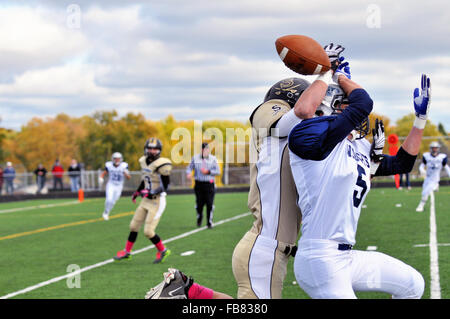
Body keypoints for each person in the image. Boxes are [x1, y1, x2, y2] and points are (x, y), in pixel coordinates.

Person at [145, 43, 341, 300]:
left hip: (270, 250)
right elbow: (304, 112)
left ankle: (187, 290)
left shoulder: (294, 139)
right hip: (264, 248)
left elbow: (322, 121)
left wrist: (337, 81)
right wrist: (324, 76)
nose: (316, 112)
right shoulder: (268, 115)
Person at [287, 55, 429, 299]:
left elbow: (403, 163)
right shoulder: (307, 135)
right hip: (320, 258)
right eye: (344, 105)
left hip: (347, 256)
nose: (352, 113)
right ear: (328, 106)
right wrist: (337, 74)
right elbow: (363, 103)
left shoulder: (358, 145)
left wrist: (420, 120)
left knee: (413, 285)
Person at [113, 138, 172, 264]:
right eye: (150, 148)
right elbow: (145, 180)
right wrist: (137, 191)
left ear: (159, 150)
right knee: (133, 226)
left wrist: (151, 192)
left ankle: (163, 251)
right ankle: (127, 252)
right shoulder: (143, 161)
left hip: (158, 200)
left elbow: (166, 186)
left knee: (148, 231)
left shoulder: (162, 164)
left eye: (155, 148)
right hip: (146, 200)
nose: (152, 151)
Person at [186, 142, 220, 228]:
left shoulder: (213, 159)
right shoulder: (195, 158)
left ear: (209, 150)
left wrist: (208, 172)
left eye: (206, 149)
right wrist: (188, 173)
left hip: (209, 184)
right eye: (203, 149)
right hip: (199, 184)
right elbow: (189, 168)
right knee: (199, 204)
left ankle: (209, 222)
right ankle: (199, 216)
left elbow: (218, 171)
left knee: (209, 204)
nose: (205, 150)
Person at [415, 141, 450, 212]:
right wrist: (422, 170)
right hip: (427, 177)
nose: (434, 150)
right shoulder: (426, 156)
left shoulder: (442, 157)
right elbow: (422, 165)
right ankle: (436, 186)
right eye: (433, 148)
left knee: (425, 192)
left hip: (435, 178)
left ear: (438, 149)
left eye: (436, 148)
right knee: (423, 190)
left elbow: (446, 167)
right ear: (431, 149)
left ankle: (421, 206)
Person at [98, 152, 131, 220]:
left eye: (118, 159)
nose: (117, 160)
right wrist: (101, 178)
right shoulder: (109, 165)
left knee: (113, 201)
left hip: (119, 186)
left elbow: (128, 178)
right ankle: (106, 212)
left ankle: (107, 211)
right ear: (113, 159)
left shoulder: (124, 166)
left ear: (121, 159)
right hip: (111, 184)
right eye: (115, 159)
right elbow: (104, 173)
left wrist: (125, 173)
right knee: (109, 199)